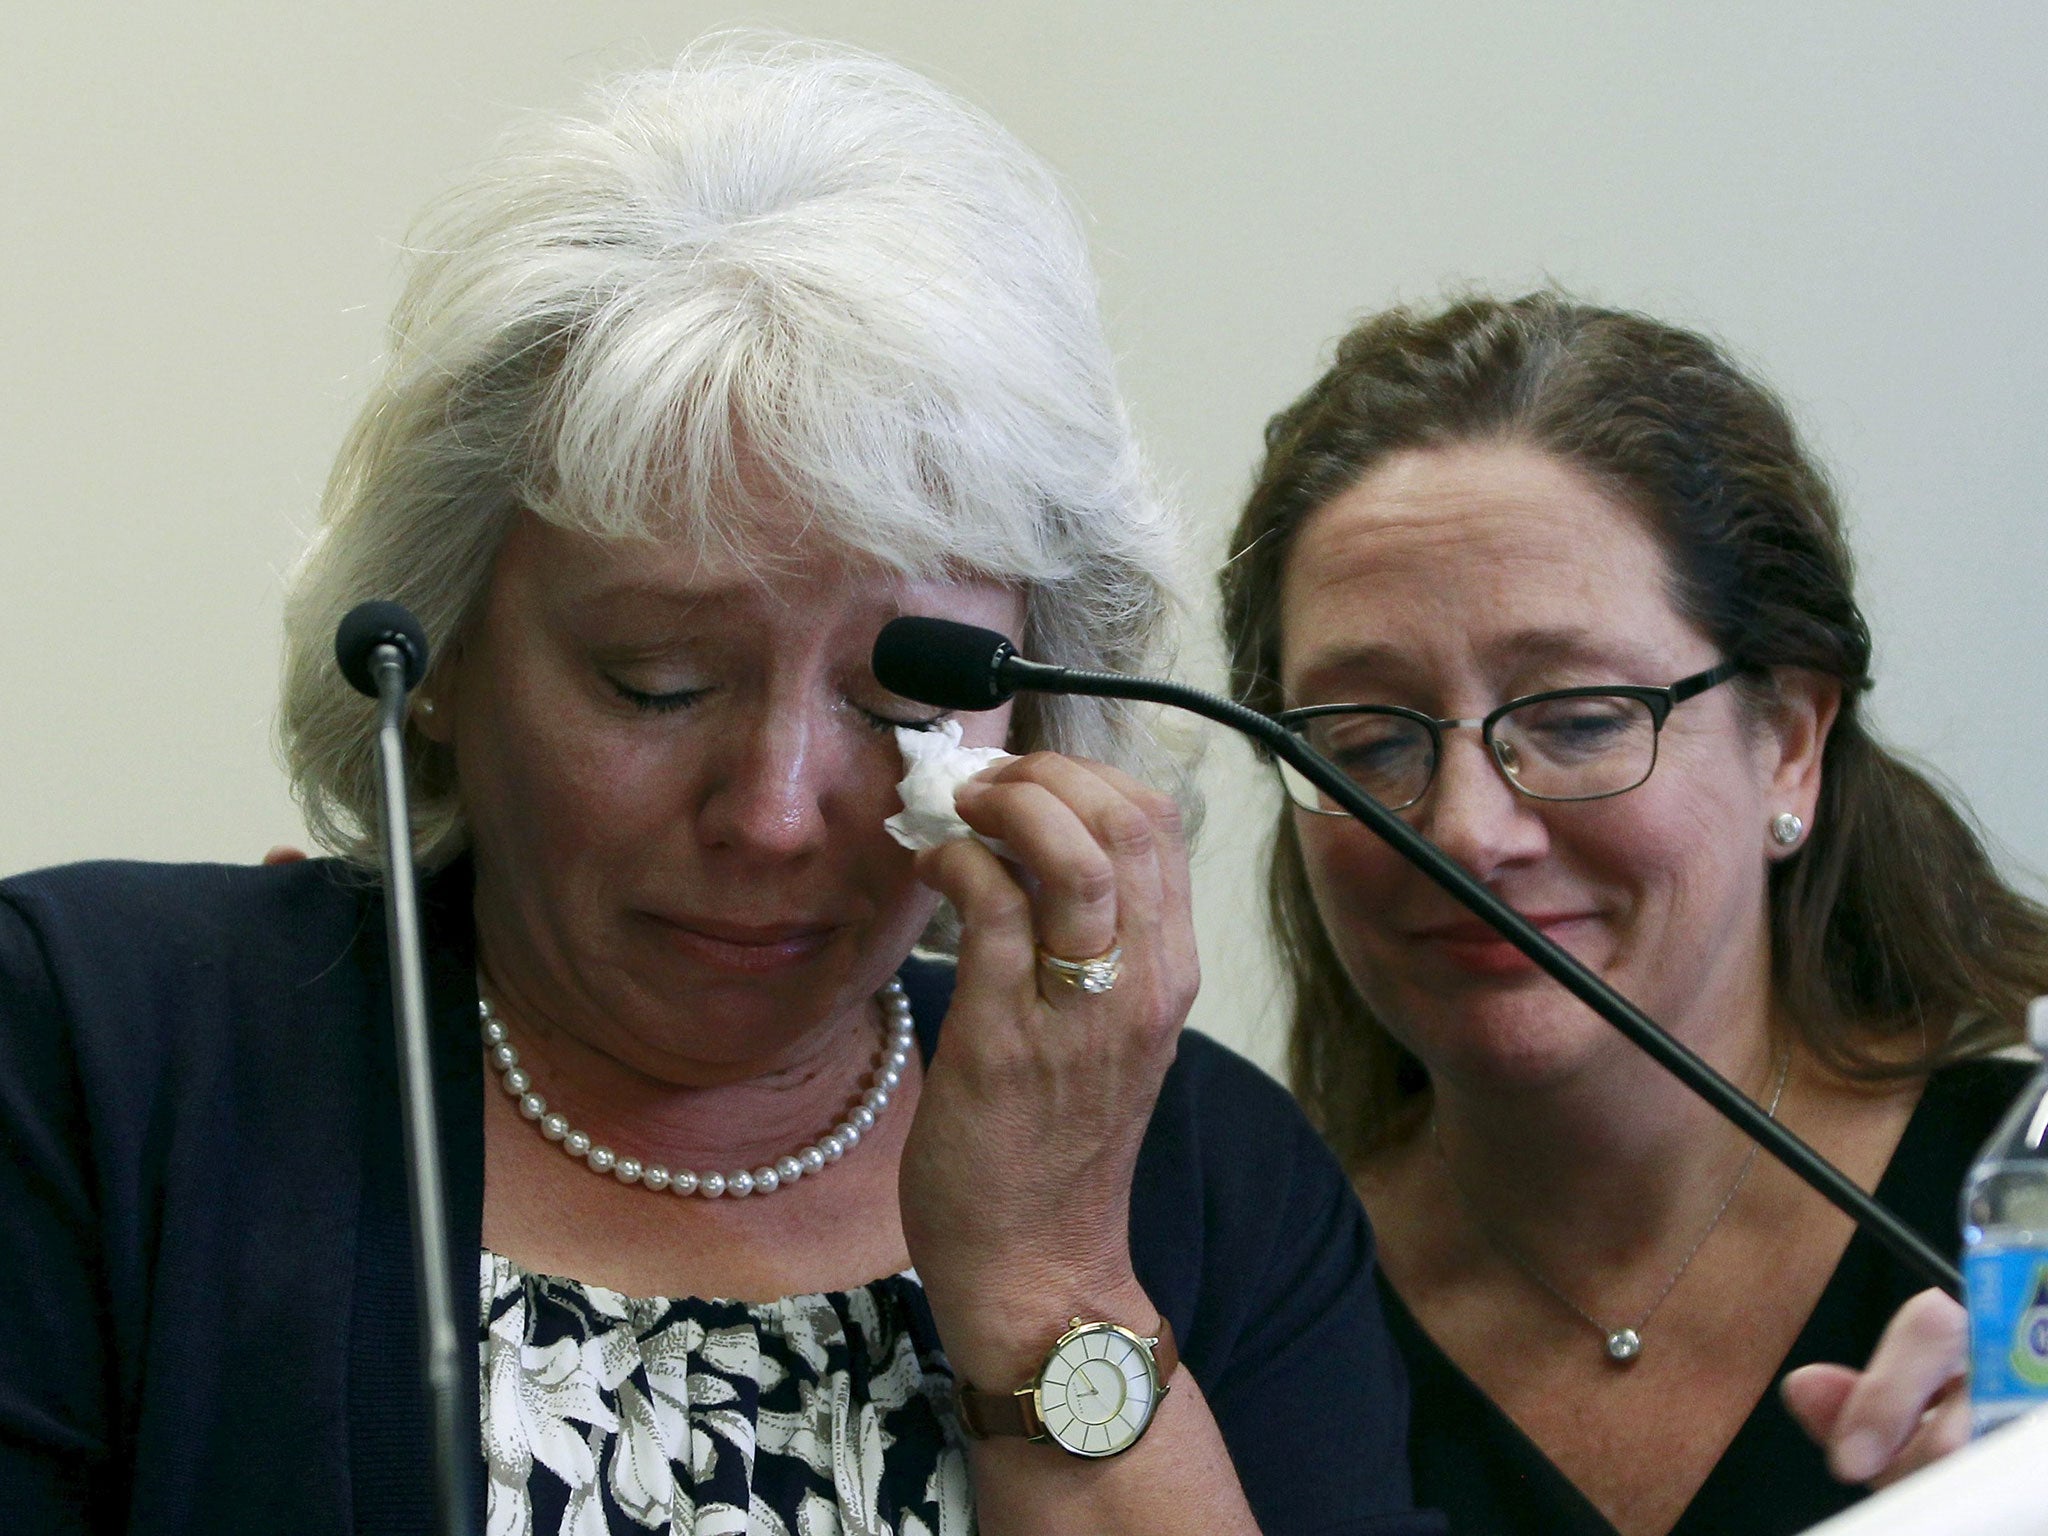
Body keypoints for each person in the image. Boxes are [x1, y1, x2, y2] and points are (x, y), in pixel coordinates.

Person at [0, 41, 1433, 1535]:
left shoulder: (1206, 1175)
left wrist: (1053, 1282)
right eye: (657, 682)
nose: (771, 811)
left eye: (900, 699)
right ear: (433, 659)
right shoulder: (93, 1058)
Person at [1217, 291, 2045, 1535]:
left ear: (1788, 746)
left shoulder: (2018, 1191)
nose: (1462, 831)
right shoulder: (1252, 1301)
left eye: (1578, 719)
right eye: (1365, 740)